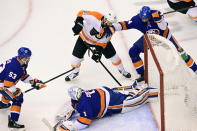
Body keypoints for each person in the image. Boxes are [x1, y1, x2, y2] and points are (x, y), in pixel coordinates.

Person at [108, 6, 197, 82]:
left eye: (146, 18)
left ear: (150, 15)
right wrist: (112, 27)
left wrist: (159, 20)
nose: (144, 20)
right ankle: (142, 74)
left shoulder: (156, 15)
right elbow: (125, 24)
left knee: (182, 54)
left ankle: (195, 69)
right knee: (133, 51)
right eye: (142, 18)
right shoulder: (137, 20)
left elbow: (163, 27)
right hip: (151, 39)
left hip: (165, 38)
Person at [54, 81, 158, 131]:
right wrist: (68, 115)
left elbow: (86, 121)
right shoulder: (81, 95)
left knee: (134, 101)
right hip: (104, 91)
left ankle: (154, 92)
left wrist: (73, 127)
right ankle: (134, 87)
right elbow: (74, 106)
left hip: (112, 103)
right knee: (123, 91)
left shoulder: (84, 103)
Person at [65, 10, 131, 81]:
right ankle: (75, 72)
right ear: (105, 18)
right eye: (108, 21)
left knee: (115, 57)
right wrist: (79, 23)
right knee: (75, 60)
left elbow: (101, 43)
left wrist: (98, 52)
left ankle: (122, 70)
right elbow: (81, 13)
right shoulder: (95, 16)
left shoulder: (110, 30)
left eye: (110, 23)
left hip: (98, 42)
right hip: (84, 39)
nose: (108, 24)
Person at [0, 47, 46, 130]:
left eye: (28, 57)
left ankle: (2, 104)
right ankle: (12, 122)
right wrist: (16, 92)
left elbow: (22, 75)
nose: (27, 59)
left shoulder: (21, 63)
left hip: (4, 82)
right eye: (25, 57)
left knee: (10, 94)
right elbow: (7, 85)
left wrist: (34, 82)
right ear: (20, 56)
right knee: (18, 99)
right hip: (2, 84)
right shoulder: (14, 67)